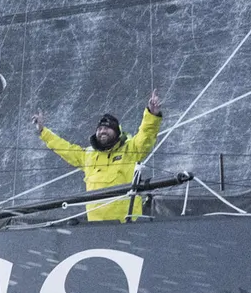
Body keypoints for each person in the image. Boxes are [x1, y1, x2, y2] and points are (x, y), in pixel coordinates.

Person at [32, 90, 163, 222]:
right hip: (96, 229)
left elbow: (146, 135)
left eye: (107, 128)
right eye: (100, 129)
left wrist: (152, 114)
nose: (102, 131)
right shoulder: (88, 155)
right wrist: (43, 132)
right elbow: (64, 148)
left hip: (127, 225)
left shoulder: (130, 150)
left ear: (117, 132)